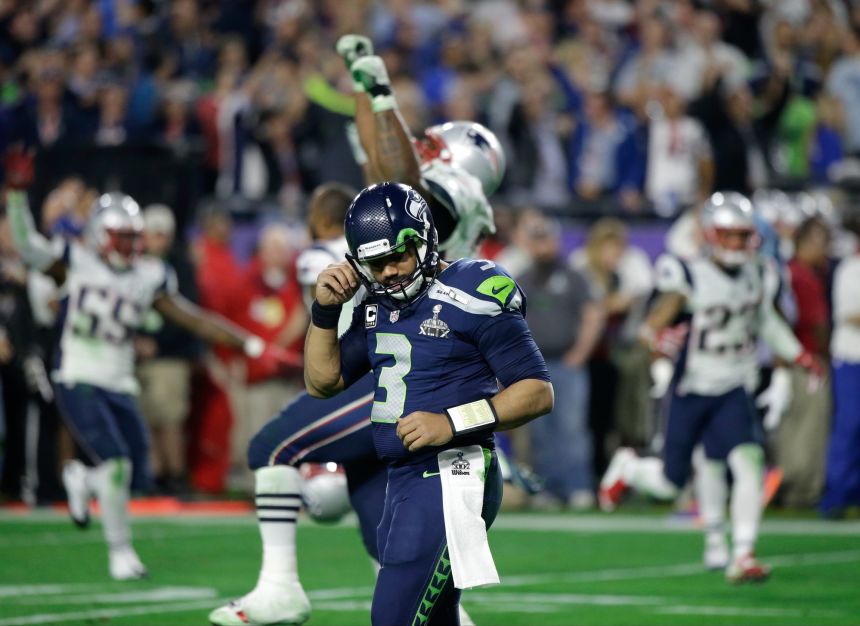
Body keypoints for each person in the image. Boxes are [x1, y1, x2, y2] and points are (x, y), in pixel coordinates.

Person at [209, 35, 509, 626]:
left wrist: (379, 91)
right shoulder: (444, 207)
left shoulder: (443, 198)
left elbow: (399, 179)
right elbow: (381, 164)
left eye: (430, 145)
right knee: (386, 538)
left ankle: (281, 588)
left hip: (405, 377)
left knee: (273, 446)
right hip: (395, 361)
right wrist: (363, 91)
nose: (416, 146)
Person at [5, 189, 295, 581]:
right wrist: (20, 199)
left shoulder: (149, 275)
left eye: (131, 236)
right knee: (117, 464)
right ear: (99, 235)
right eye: (119, 235)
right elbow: (27, 246)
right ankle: (120, 553)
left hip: (121, 382)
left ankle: (83, 478)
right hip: (78, 375)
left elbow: (194, 318)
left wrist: (252, 343)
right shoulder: (76, 262)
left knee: (138, 474)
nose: (127, 244)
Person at [307, 181, 553, 625]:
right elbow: (322, 382)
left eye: (397, 256)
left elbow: (536, 391)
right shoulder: (375, 303)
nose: (388, 273)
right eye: (375, 264)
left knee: (393, 618)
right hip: (402, 477)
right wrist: (324, 312)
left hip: (454, 469)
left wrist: (452, 421)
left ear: (425, 239)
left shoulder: (473, 289)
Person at [598, 191, 823, 583]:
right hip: (691, 387)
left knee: (747, 459)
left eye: (741, 236)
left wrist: (798, 356)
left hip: (734, 384)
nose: (736, 244)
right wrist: (657, 341)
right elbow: (655, 322)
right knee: (671, 483)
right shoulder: (687, 273)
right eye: (728, 235)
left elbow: (767, 321)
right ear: (710, 235)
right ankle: (630, 468)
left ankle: (743, 553)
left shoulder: (760, 272)